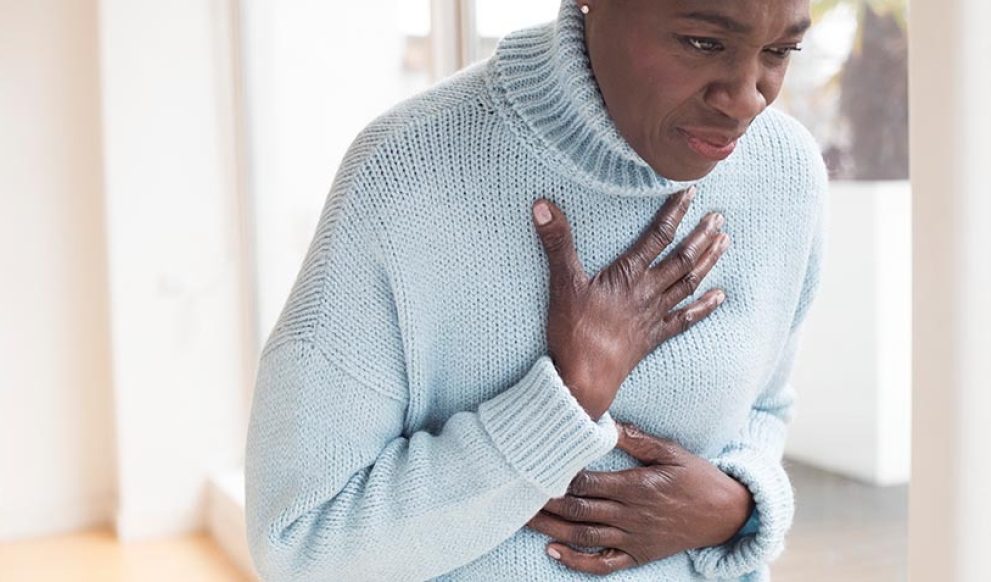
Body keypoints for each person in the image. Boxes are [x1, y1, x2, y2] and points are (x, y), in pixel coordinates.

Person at [245, 0, 826, 580]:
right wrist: (568, 399)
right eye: (703, 42)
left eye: (780, 51)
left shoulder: (786, 172)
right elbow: (300, 547)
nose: (747, 97)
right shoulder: (405, 173)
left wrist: (737, 507)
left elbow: (763, 409)